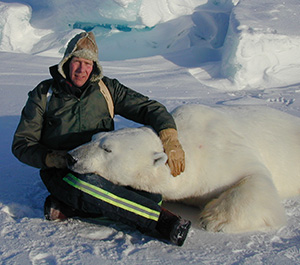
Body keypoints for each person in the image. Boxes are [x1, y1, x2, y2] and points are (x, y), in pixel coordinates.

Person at [12, 31, 191, 246]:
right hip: (63, 171)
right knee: (88, 185)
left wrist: (169, 137)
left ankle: (70, 207)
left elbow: (149, 108)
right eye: (77, 62)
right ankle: (162, 222)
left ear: (95, 66)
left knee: (151, 197)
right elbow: (22, 144)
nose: (82, 70)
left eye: (88, 64)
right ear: (67, 62)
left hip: (103, 166)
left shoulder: (107, 88)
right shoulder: (44, 94)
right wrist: (51, 158)